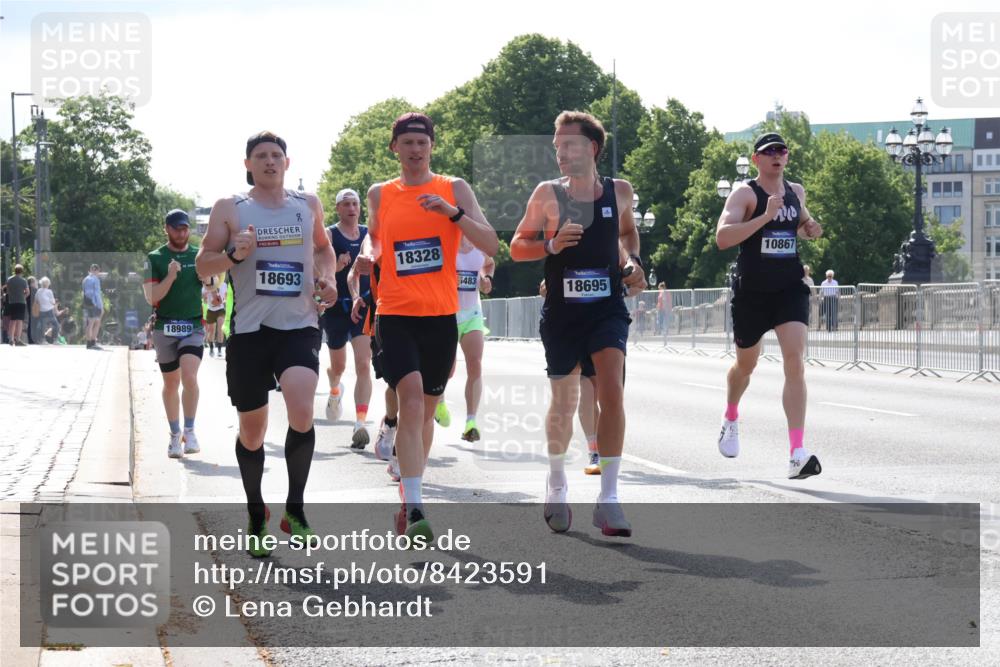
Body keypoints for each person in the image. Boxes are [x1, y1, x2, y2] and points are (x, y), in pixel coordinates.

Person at [353, 112, 498, 543]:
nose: (415, 150)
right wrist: (367, 253)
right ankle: (416, 505)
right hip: (395, 312)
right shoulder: (381, 193)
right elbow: (375, 238)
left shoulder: (453, 189)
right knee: (412, 401)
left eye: (422, 142)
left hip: (440, 316)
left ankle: (406, 496)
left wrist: (454, 214)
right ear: (394, 148)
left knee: (428, 410)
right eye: (407, 143)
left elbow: (490, 243)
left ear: (432, 147)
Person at [195, 131, 338, 557]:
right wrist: (234, 257)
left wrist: (328, 279)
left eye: (277, 155)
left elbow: (324, 251)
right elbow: (204, 265)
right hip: (250, 333)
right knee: (253, 433)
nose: (270, 161)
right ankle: (256, 512)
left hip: (300, 326)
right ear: (249, 165)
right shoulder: (230, 208)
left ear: (287, 164)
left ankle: (295, 509)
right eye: (261, 156)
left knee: (300, 406)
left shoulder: (307, 204)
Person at [510, 110, 646, 538]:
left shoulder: (620, 192)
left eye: (567, 144)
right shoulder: (547, 194)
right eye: (556, 145)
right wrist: (549, 244)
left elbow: (626, 235)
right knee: (565, 403)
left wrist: (633, 262)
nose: (559, 152)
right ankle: (556, 481)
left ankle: (608, 500)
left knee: (612, 390)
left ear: (592, 147)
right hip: (563, 314)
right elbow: (517, 246)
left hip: (607, 307)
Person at [715, 132, 824, 480]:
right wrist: (764, 216)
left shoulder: (796, 191)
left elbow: (802, 223)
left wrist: (809, 227)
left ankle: (796, 453)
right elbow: (722, 237)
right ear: (756, 158)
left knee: (795, 361)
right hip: (753, 292)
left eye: (782, 151)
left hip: (789, 288)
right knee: (746, 366)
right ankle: (731, 415)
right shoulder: (745, 193)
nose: (777, 156)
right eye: (769, 151)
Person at [144, 209, 206, 458]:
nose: (182, 232)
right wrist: (170, 276)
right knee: (171, 383)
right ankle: (174, 435)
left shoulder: (198, 255)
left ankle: (189, 431)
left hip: (192, 325)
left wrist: (209, 279)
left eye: (185, 228)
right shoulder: (154, 258)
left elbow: (213, 283)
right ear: (166, 229)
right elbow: (152, 297)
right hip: (165, 327)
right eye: (177, 228)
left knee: (189, 376)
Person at [322, 188, 374, 450]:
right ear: (338, 209)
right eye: (346, 204)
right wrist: (338, 267)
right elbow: (319, 267)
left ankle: (360, 423)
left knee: (364, 364)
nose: (352, 208)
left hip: (361, 305)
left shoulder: (368, 234)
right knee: (338, 367)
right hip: (335, 308)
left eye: (355, 203)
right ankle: (334, 391)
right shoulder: (330, 234)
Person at [452, 234, 496, 442]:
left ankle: (471, 421)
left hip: (472, 314)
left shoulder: (479, 247)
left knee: (475, 364)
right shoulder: (447, 245)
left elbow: (489, 263)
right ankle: (438, 400)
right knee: (447, 370)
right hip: (448, 315)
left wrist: (487, 279)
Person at [202, 273, 228, 357]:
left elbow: (226, 297)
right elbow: (205, 301)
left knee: (220, 328)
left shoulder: (224, 285)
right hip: (210, 310)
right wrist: (205, 297)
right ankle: (211, 348)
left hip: (220, 309)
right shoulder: (206, 285)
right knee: (211, 330)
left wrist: (221, 300)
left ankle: (220, 350)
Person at [5, 265, 29, 346]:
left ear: (14, 271)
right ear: (21, 271)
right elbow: (27, 292)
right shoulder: (23, 280)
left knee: (12, 320)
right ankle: (18, 339)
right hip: (21, 302)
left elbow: (8, 291)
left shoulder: (9, 280)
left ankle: (11, 339)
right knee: (20, 321)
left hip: (12, 302)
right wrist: (23, 297)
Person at [82, 263, 104, 349]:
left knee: (90, 323)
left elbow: (84, 292)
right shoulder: (95, 279)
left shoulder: (85, 279)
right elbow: (97, 294)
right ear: (97, 270)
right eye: (98, 271)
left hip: (87, 303)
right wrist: (101, 306)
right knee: (97, 322)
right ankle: (93, 342)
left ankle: (89, 343)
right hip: (95, 303)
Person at [35, 277, 60, 343]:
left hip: (42, 311)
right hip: (49, 311)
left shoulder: (38, 291)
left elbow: (36, 300)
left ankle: (42, 340)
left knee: (43, 325)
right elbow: (53, 302)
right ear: (48, 284)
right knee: (56, 325)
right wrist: (54, 303)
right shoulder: (49, 291)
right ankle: (55, 340)